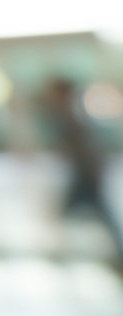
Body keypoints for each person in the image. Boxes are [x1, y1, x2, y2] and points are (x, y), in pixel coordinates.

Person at [43, 78, 123, 263]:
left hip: (87, 173)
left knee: (99, 214)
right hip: (86, 172)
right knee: (98, 215)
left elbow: (85, 151)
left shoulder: (70, 115)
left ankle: (61, 255)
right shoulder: (66, 114)